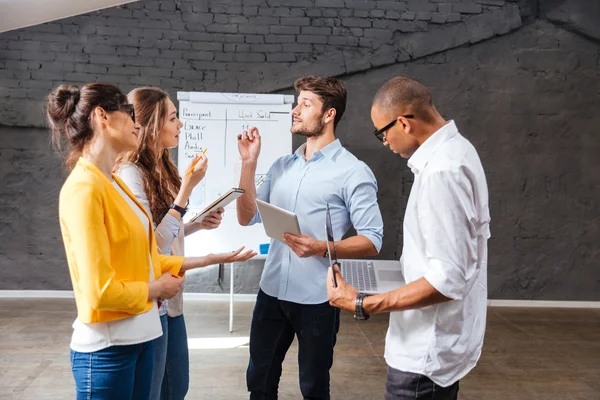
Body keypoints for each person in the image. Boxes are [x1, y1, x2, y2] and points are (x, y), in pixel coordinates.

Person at [48, 83, 256, 400]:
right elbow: (98, 292)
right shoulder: (85, 188)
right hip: (109, 346)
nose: (136, 124)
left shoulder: (114, 184)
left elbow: (146, 257)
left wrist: (211, 259)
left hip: (140, 333)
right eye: (129, 115)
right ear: (102, 116)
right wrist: (157, 289)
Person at [326, 76, 491, 400]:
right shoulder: (459, 151)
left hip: (424, 356)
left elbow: (447, 279)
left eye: (382, 132)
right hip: (439, 345)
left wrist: (362, 303)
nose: (384, 142)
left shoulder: (442, 172)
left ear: (403, 123)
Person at [236, 76, 384, 400]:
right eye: (296, 102)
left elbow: (373, 239)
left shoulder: (353, 171)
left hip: (318, 298)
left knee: (314, 388)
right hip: (271, 291)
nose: (295, 110)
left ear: (329, 114)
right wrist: (248, 164)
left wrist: (322, 247)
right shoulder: (281, 167)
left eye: (306, 104)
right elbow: (246, 216)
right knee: (258, 383)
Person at [115, 86, 226, 400]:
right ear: (151, 125)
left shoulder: (163, 167)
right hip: (151, 299)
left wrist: (195, 226)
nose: (180, 125)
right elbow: (153, 246)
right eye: (174, 118)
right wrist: (187, 189)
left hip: (171, 299)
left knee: (176, 386)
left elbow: (168, 235)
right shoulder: (129, 173)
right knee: (156, 391)